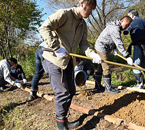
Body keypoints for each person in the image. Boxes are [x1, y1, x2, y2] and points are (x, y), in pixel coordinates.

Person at [39, 0, 102, 129]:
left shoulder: (83, 25)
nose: (91, 12)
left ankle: (64, 120)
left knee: (71, 91)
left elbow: (84, 44)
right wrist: (56, 47)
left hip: (68, 61)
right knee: (63, 92)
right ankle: (61, 125)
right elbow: (44, 27)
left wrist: (93, 55)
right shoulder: (64, 14)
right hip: (53, 59)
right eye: (91, 8)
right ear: (82, 4)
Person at [94, 16, 133, 93]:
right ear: (122, 21)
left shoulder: (115, 26)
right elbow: (119, 42)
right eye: (126, 25)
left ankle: (98, 86)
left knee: (100, 67)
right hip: (101, 47)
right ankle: (108, 89)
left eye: (128, 26)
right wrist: (127, 56)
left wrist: (114, 48)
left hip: (100, 46)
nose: (126, 27)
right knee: (106, 67)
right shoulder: (115, 28)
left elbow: (113, 40)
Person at [123, 9, 145, 89]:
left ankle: (139, 84)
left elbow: (126, 31)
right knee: (142, 64)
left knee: (136, 65)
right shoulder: (144, 21)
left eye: (129, 16)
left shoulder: (133, 21)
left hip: (138, 45)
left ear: (132, 15)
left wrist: (124, 30)